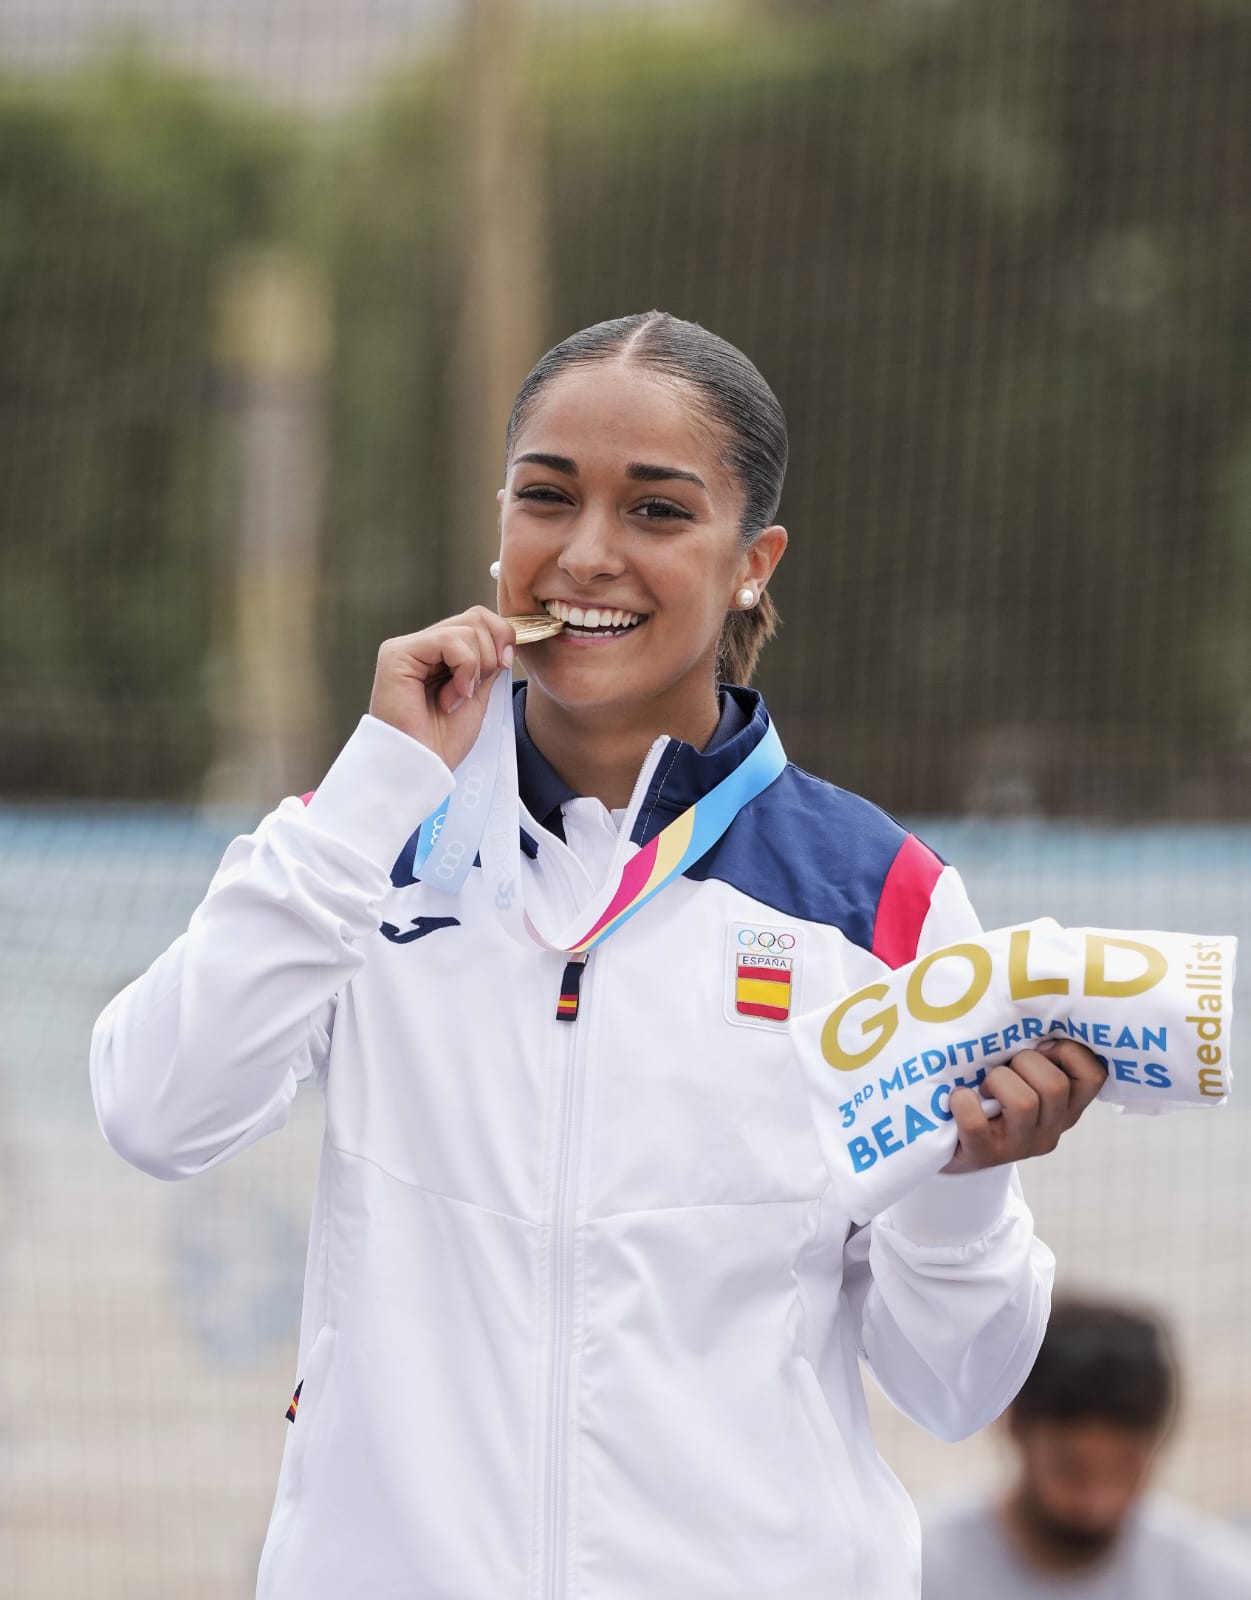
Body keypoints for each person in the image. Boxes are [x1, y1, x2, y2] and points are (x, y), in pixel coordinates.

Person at [91, 312, 1108, 1600]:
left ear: (752, 563)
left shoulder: (876, 901)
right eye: (547, 496)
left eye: (657, 510)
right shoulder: (359, 844)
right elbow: (156, 1110)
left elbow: (955, 1387)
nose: (585, 552)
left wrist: (969, 1183)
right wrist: (371, 790)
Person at [921, 1297, 1251, 1598]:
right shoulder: (919, 1570)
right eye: (1069, 1468)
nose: (1097, 1502)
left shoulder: (1219, 1583)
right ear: (1012, 1427)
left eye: (1124, 1469)